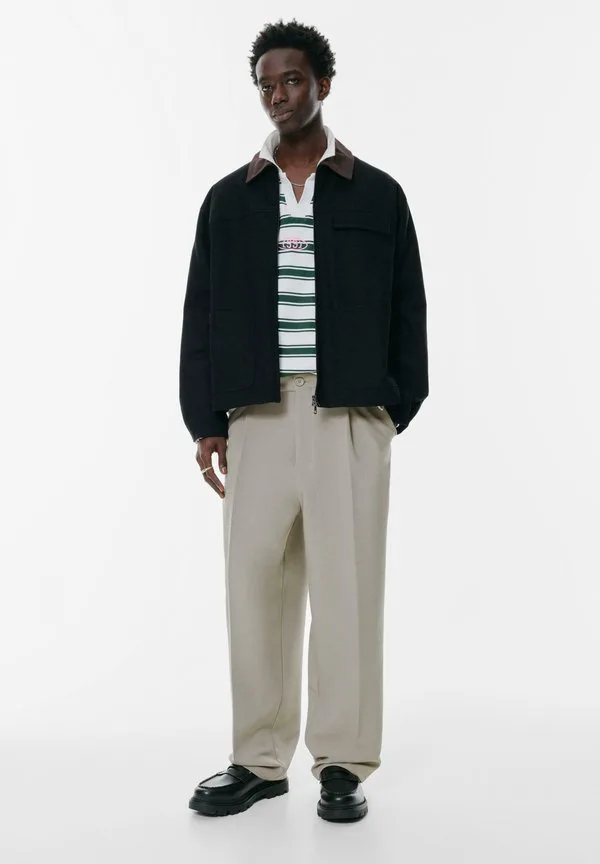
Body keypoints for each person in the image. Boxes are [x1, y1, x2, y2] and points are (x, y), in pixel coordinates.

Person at [179, 18, 429, 823]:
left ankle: (343, 762)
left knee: (348, 592)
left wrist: (389, 409)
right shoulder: (230, 199)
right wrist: (205, 419)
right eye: (265, 84)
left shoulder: (377, 194)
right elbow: (200, 312)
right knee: (256, 590)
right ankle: (258, 760)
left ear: (323, 83)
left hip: (347, 413)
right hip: (255, 415)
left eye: (291, 80)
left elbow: (409, 309)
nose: (278, 96)